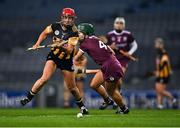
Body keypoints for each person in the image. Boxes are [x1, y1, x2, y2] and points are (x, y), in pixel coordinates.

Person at [20, 8, 88, 114]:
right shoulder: (54, 26)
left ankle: (82, 107)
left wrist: (60, 46)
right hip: (54, 57)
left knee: (72, 88)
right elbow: (44, 33)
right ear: (62, 18)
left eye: (71, 18)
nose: (69, 20)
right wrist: (37, 43)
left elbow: (70, 50)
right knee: (44, 78)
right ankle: (28, 98)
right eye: (67, 18)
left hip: (66, 60)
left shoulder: (74, 32)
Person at [74, 23, 129, 114]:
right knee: (94, 84)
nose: (78, 35)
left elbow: (76, 58)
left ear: (86, 33)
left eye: (80, 33)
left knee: (111, 91)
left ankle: (124, 109)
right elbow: (112, 51)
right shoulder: (96, 38)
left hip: (110, 66)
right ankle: (108, 101)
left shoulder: (85, 43)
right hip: (109, 64)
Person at [99, 17, 138, 109]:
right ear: (114, 24)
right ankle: (112, 98)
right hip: (112, 59)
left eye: (121, 23)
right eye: (117, 23)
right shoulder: (110, 34)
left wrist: (130, 53)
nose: (119, 25)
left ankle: (117, 95)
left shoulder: (128, 34)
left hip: (123, 59)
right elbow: (104, 46)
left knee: (118, 77)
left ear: (124, 25)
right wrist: (110, 47)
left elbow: (135, 45)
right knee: (109, 79)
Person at [154, 38, 177, 109]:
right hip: (160, 74)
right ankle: (159, 105)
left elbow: (164, 63)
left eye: (157, 44)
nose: (155, 45)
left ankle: (173, 99)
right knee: (157, 89)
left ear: (161, 45)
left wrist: (159, 71)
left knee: (161, 90)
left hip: (164, 75)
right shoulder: (159, 53)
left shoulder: (163, 53)